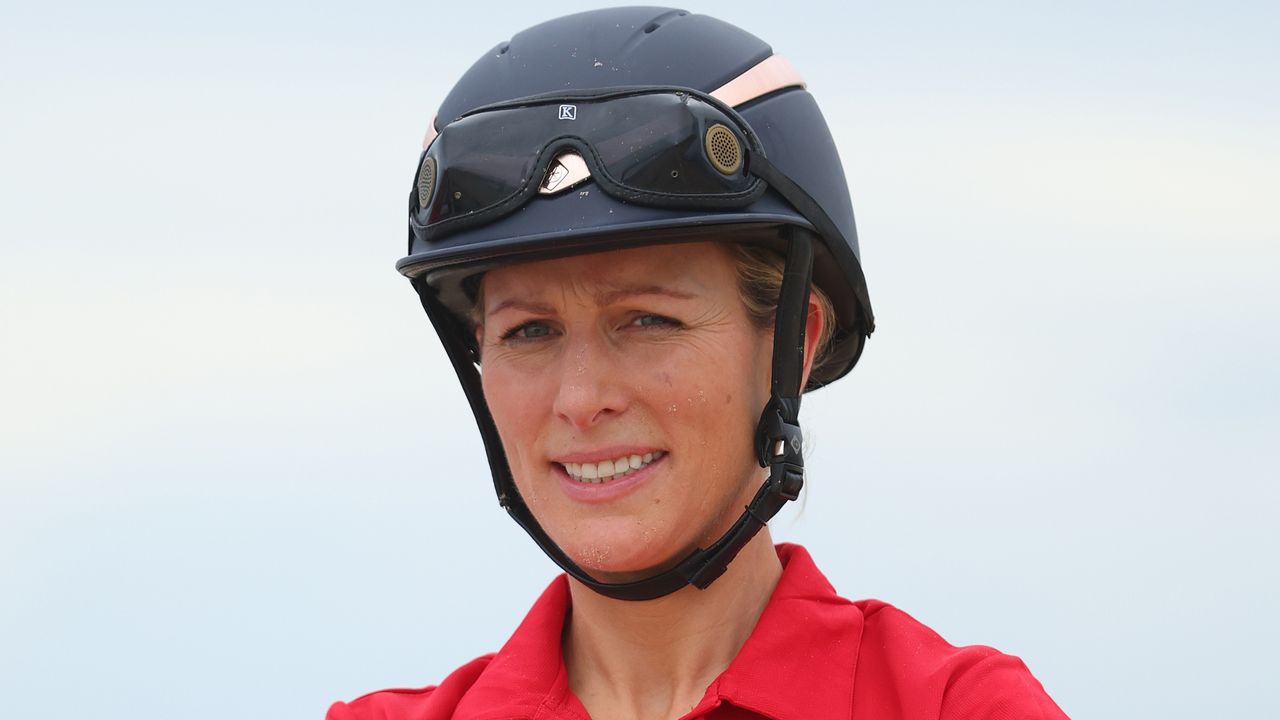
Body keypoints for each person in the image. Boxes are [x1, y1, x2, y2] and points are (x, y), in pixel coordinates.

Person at [329, 7, 1068, 719]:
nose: (582, 399)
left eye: (648, 320)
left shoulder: (956, 709)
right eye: (529, 332)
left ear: (794, 343)